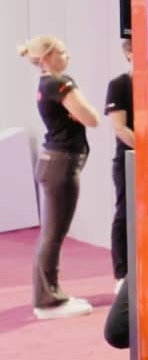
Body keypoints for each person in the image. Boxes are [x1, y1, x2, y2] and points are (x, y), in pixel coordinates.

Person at [18, 35, 101, 320]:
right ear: (46, 57)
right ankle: (48, 301)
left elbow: (84, 116)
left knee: (51, 234)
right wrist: (80, 112)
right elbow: (92, 118)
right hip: (61, 164)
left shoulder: (46, 84)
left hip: (54, 162)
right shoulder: (58, 83)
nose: (67, 56)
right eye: (62, 52)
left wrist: (78, 112)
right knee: (53, 235)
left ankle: (49, 294)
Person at [105, 39, 134, 292]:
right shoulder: (119, 85)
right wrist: (147, 150)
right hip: (128, 160)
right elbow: (120, 129)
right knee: (125, 213)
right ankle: (122, 273)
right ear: (128, 53)